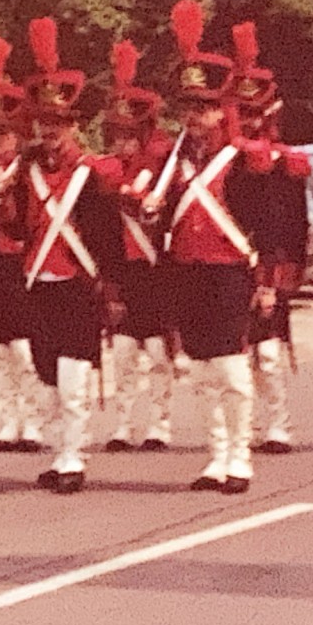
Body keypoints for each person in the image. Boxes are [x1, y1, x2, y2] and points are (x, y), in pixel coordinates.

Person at [158, 0, 276, 494]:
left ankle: (239, 455)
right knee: (203, 369)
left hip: (229, 271)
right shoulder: (173, 162)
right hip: (188, 271)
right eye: (189, 107)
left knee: (229, 366)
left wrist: (268, 281)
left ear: (221, 108)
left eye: (205, 107)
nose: (196, 117)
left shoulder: (245, 161)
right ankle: (215, 454)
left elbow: (264, 226)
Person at [5, 18, 126, 494]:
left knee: (75, 379)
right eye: (43, 123)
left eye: (58, 124)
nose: (49, 131)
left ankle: (75, 457)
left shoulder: (92, 173)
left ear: (73, 125)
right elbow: (16, 229)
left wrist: (112, 288)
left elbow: (108, 234)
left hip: (78, 283)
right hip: (38, 283)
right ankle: (58, 453)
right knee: (47, 379)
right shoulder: (25, 170)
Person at [230, 21, 311, 455]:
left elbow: (291, 222)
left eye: (253, 113)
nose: (246, 121)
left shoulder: (284, 162)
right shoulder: (224, 160)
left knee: (269, 352)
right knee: (236, 352)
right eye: (240, 113)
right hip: (229, 260)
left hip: (269, 260)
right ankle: (245, 425)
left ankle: (278, 424)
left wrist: (282, 273)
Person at [102, 39, 180, 453]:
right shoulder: (106, 173)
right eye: (117, 135)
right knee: (123, 354)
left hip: (157, 270)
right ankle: (123, 424)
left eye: (130, 135)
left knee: (158, 351)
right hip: (124, 271)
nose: (122, 143)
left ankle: (159, 425)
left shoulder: (163, 169)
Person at [0, 37, 48, 455]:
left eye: (6, 132)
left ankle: (34, 421)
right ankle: (9, 419)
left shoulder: (31, 168)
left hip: (25, 263)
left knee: (24, 349)